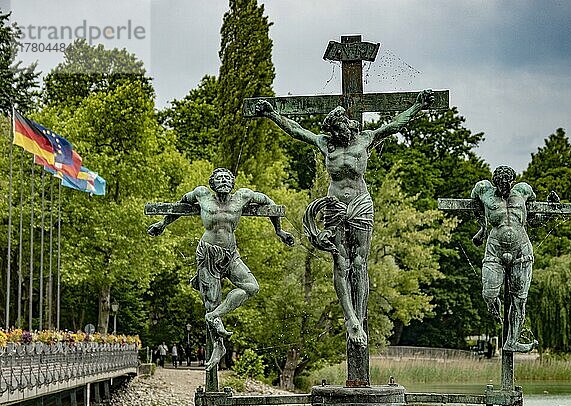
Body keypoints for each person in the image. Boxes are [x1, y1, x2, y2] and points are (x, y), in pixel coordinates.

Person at [256, 91, 433, 347]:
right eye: (334, 133)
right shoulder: (326, 143)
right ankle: (350, 319)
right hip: (334, 204)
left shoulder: (365, 139)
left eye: (340, 131)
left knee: (360, 263)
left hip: (361, 203)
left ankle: (360, 317)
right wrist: (273, 114)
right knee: (341, 263)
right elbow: (296, 130)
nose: (338, 136)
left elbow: (394, 125)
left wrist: (417, 106)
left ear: (347, 125)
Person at [148, 168, 294, 370]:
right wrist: (163, 224)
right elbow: (181, 204)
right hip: (208, 254)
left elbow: (269, 203)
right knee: (211, 302)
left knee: (252, 287)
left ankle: (215, 316)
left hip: (231, 254)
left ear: (233, 183)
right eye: (219, 179)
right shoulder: (202, 194)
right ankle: (218, 346)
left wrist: (279, 231)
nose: (224, 181)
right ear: (212, 183)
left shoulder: (243, 196)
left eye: (227, 178)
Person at [470, 166, 540, 353]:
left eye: (507, 184)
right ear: (495, 183)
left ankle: (512, 341)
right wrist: (482, 229)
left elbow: (534, 217)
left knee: (519, 300)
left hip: (521, 251)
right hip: (495, 249)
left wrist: (550, 207)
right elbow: (474, 205)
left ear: (512, 182)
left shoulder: (523, 190)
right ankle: (494, 304)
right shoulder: (483, 190)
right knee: (489, 293)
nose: (504, 188)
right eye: (501, 184)